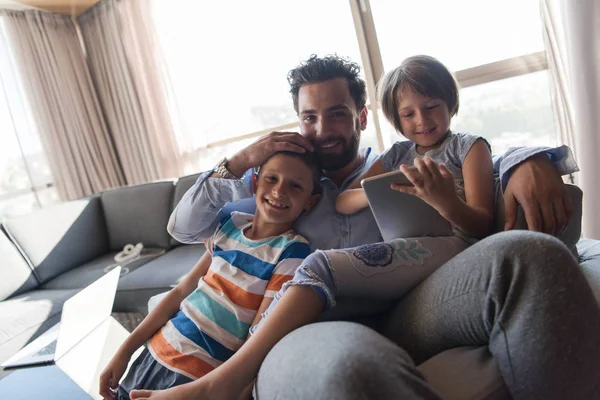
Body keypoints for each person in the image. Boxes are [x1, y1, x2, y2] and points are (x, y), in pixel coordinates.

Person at [140, 55, 600, 399]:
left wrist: (530, 159)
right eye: (309, 117)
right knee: (352, 369)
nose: (323, 129)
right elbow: (183, 227)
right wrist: (240, 160)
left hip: (416, 305)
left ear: (362, 116)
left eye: (337, 113)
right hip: (310, 325)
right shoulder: (281, 181)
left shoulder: (393, 160)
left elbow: (463, 163)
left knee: (529, 253)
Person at [98, 151, 322, 400]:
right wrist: (125, 350)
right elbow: (181, 292)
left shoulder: (292, 251)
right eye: (272, 179)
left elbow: (258, 335)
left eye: (295, 186)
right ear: (256, 183)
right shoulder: (230, 227)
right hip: (154, 351)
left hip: (196, 379)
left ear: (310, 201)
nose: (280, 191)